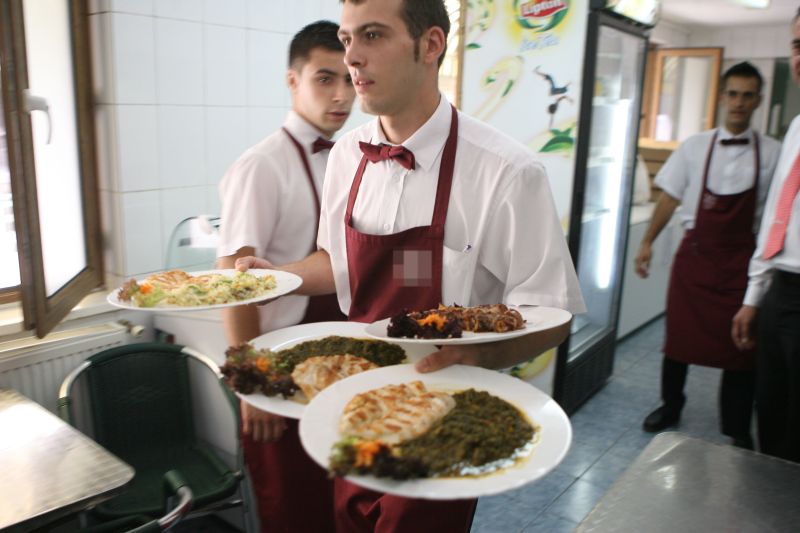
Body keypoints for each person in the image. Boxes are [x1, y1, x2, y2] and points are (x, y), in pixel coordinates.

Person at [237, 1, 585, 531]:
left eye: (372, 35)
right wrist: (276, 276)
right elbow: (336, 263)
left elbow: (551, 313)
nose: (353, 56)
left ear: (431, 45)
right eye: (347, 38)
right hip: (352, 393)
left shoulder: (507, 171)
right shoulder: (348, 154)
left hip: (443, 408)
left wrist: (479, 358)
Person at [216, 20, 355, 532]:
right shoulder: (261, 165)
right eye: (324, 78)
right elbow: (234, 284)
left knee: (336, 508)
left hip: (335, 367)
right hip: (278, 374)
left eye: (348, 78)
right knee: (292, 514)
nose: (341, 95)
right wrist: (256, 386)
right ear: (292, 81)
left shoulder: (348, 158)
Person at [634, 62, 781, 446]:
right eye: (732, 94)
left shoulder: (775, 153)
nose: (739, 102)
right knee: (679, 340)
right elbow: (670, 197)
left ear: (758, 101)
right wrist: (647, 241)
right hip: (695, 259)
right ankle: (670, 405)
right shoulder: (695, 146)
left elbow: (780, 213)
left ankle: (734, 426)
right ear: (721, 97)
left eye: (747, 95)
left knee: (742, 347)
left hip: (742, 264)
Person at [732, 9, 800, 463]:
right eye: (797, 45)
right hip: (783, 290)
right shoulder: (797, 127)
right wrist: (756, 295)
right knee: (772, 412)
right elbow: (779, 216)